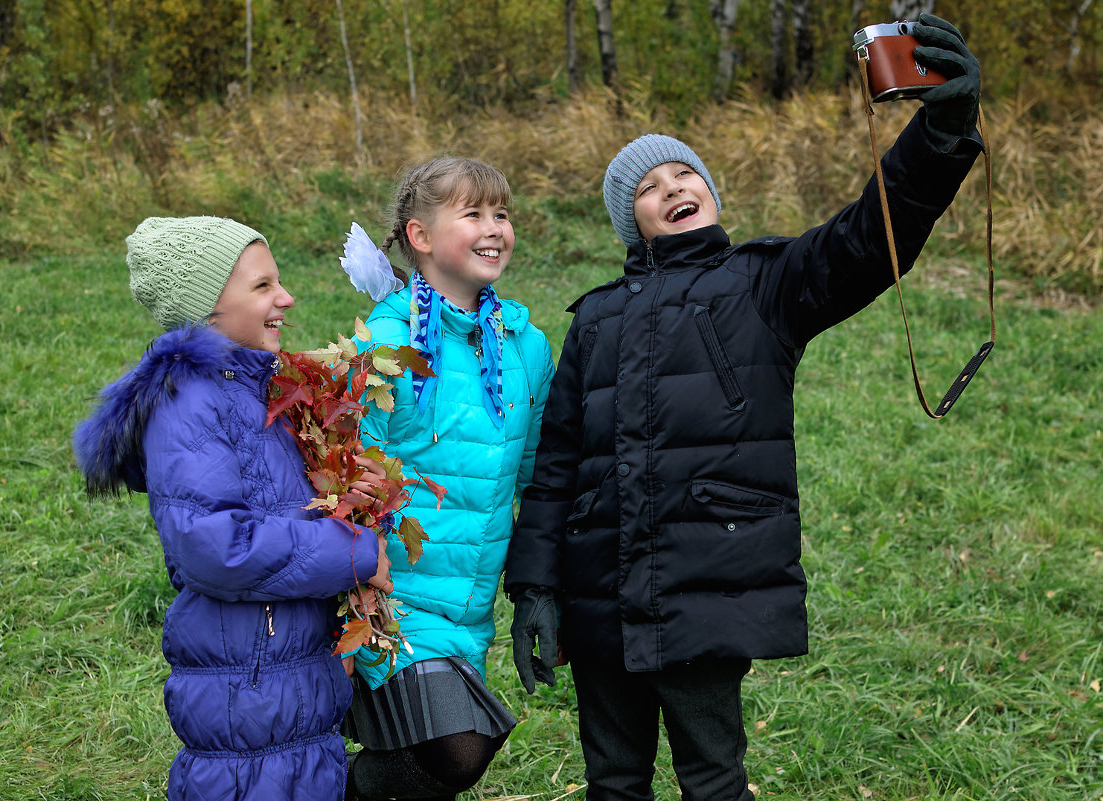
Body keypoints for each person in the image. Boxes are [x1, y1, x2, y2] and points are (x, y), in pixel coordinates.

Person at [505, 14, 983, 801]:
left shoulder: (766, 283)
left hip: (706, 581)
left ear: (710, 192)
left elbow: (871, 233)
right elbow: (557, 463)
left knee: (712, 776)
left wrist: (940, 133)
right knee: (611, 778)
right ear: (632, 222)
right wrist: (534, 589)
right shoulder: (593, 317)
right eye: (649, 189)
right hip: (598, 593)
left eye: (683, 175)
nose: (672, 189)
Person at [73, 216, 392, 801]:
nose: (286, 297)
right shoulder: (189, 404)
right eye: (262, 286)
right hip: (244, 687)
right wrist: (354, 553)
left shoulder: (257, 389)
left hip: (289, 673)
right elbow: (214, 546)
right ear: (206, 307)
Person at [341, 157, 555, 801]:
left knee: (433, 760)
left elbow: (537, 481)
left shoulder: (524, 347)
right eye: (473, 214)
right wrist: (360, 574)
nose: (494, 228)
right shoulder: (386, 342)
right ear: (421, 236)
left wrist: (539, 590)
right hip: (390, 600)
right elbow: (351, 468)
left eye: (502, 213)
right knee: (458, 749)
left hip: (468, 605)